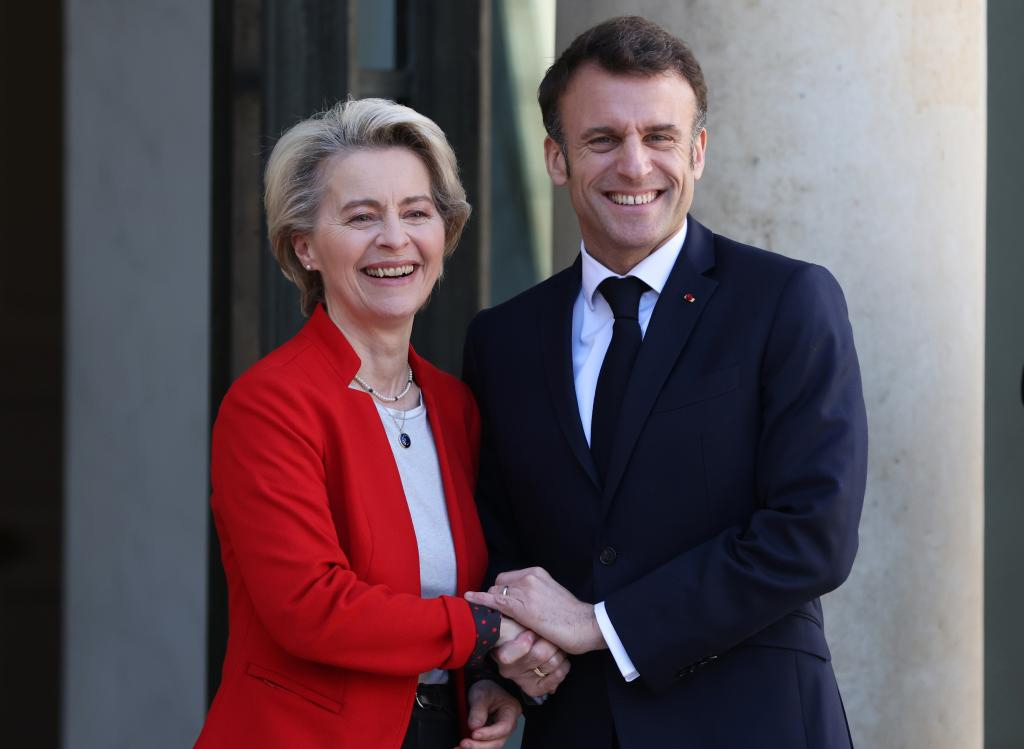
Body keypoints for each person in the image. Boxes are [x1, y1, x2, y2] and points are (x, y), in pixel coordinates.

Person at [463, 16, 868, 748]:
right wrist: (504, 656)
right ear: (556, 158)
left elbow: (814, 533)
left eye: (659, 137)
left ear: (698, 151)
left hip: (757, 724)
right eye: (602, 140)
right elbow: (496, 535)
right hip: (577, 729)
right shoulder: (502, 339)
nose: (635, 165)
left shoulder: (786, 301)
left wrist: (601, 625)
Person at [195, 98, 568, 749]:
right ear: (305, 245)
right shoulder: (269, 404)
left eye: (416, 212)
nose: (394, 238)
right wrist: (486, 629)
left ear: (442, 234)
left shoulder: (455, 406)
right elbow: (312, 608)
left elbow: (450, 587)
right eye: (362, 216)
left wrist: (486, 678)